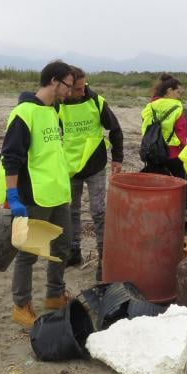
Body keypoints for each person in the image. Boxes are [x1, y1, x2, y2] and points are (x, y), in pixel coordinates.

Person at [0, 60, 74, 328]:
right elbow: (12, 157)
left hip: (57, 193)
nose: (69, 91)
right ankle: (21, 305)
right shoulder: (23, 113)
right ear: (54, 81)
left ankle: (54, 294)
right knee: (29, 252)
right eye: (67, 85)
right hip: (33, 195)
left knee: (63, 245)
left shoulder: (53, 111)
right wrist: (13, 196)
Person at [58, 66, 124, 281]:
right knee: (71, 211)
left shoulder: (96, 101)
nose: (83, 91)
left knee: (98, 212)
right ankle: (73, 251)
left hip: (95, 165)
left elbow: (115, 130)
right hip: (70, 166)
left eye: (84, 86)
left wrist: (117, 159)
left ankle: (104, 260)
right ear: (66, 87)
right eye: (78, 88)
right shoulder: (57, 105)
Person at [141, 73, 187, 221]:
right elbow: (181, 133)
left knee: (158, 183)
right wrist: (184, 151)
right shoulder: (177, 107)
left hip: (153, 152)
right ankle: (186, 211)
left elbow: (145, 126)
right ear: (169, 91)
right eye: (178, 92)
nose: (179, 96)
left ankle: (157, 210)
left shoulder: (149, 106)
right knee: (181, 182)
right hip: (173, 153)